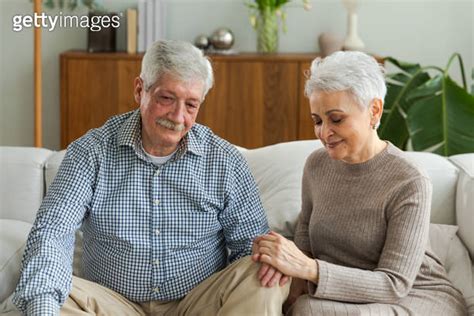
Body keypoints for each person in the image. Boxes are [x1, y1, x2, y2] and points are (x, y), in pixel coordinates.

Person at [13, 40, 289, 316]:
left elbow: (250, 246)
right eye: (166, 98)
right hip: (112, 305)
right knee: (42, 295)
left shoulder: (225, 161)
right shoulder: (91, 152)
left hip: (197, 304)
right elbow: (52, 233)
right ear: (139, 90)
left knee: (262, 271)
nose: (178, 117)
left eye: (191, 105)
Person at [252, 51, 468, 315]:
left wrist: (309, 269)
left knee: (311, 311)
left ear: (374, 110)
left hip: (413, 296)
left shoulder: (409, 180)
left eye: (336, 119)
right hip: (343, 294)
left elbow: (394, 284)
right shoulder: (316, 165)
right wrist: (286, 288)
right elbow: (305, 237)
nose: (324, 132)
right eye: (317, 120)